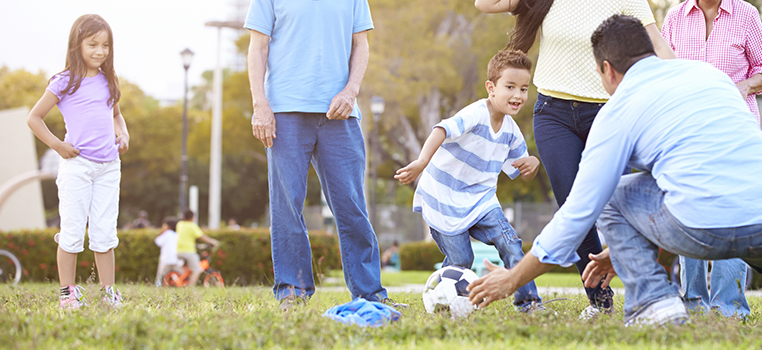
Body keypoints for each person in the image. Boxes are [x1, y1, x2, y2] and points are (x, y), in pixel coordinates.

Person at [468, 15, 762, 332]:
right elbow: (701, 173)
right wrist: (624, 247)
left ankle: (653, 303)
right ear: (649, 51)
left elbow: (579, 212)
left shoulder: (617, 111)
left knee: (609, 192)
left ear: (606, 70)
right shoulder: (710, 78)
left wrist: (512, 278)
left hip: (700, 229)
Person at [475, 0, 676, 320]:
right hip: (554, 114)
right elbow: (484, 4)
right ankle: (600, 301)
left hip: (609, 113)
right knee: (573, 207)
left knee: (617, 207)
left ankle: (651, 296)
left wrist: (681, 84)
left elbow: (658, 45)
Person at [245, 0, 400, 310]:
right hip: (285, 110)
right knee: (287, 206)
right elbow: (257, 47)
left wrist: (351, 90)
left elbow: (361, 44)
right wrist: (260, 105)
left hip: (340, 112)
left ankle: (370, 294)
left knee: (352, 206)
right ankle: (293, 292)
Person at [660, 0, 762, 318]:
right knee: (690, 213)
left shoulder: (745, 15)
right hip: (687, 132)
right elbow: (661, 72)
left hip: (734, 132)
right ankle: (693, 303)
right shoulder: (675, 17)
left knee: (732, 216)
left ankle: (729, 307)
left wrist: (742, 87)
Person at [395, 50, 545, 313]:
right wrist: (421, 162)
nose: (518, 95)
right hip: (444, 197)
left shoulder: (511, 131)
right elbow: (441, 129)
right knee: (462, 260)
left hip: (481, 199)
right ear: (491, 88)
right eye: (510, 87)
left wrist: (533, 163)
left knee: (511, 243)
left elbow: (524, 171)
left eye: (523, 89)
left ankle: (529, 304)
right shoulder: (476, 113)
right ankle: (440, 301)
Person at [26, 14, 129, 309]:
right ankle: (68, 294)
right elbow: (34, 118)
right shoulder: (64, 81)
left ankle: (109, 293)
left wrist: (123, 134)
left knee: (105, 232)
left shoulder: (110, 80)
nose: (100, 51)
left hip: (109, 167)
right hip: (78, 167)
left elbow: (116, 115)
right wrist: (58, 145)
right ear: (77, 45)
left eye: (105, 45)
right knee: (71, 231)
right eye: (93, 44)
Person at [175, 209, 219, 287]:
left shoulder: (180, 224)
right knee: (197, 270)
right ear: (193, 218)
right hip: (188, 251)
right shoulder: (192, 226)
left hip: (178, 251)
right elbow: (201, 236)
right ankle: (190, 288)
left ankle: (183, 281)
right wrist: (213, 242)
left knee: (188, 269)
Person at [154, 217, 180, 287]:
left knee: (160, 275)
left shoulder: (167, 233)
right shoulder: (176, 234)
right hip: (176, 259)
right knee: (177, 274)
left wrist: (162, 232)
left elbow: (157, 241)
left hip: (165, 259)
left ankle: (158, 286)